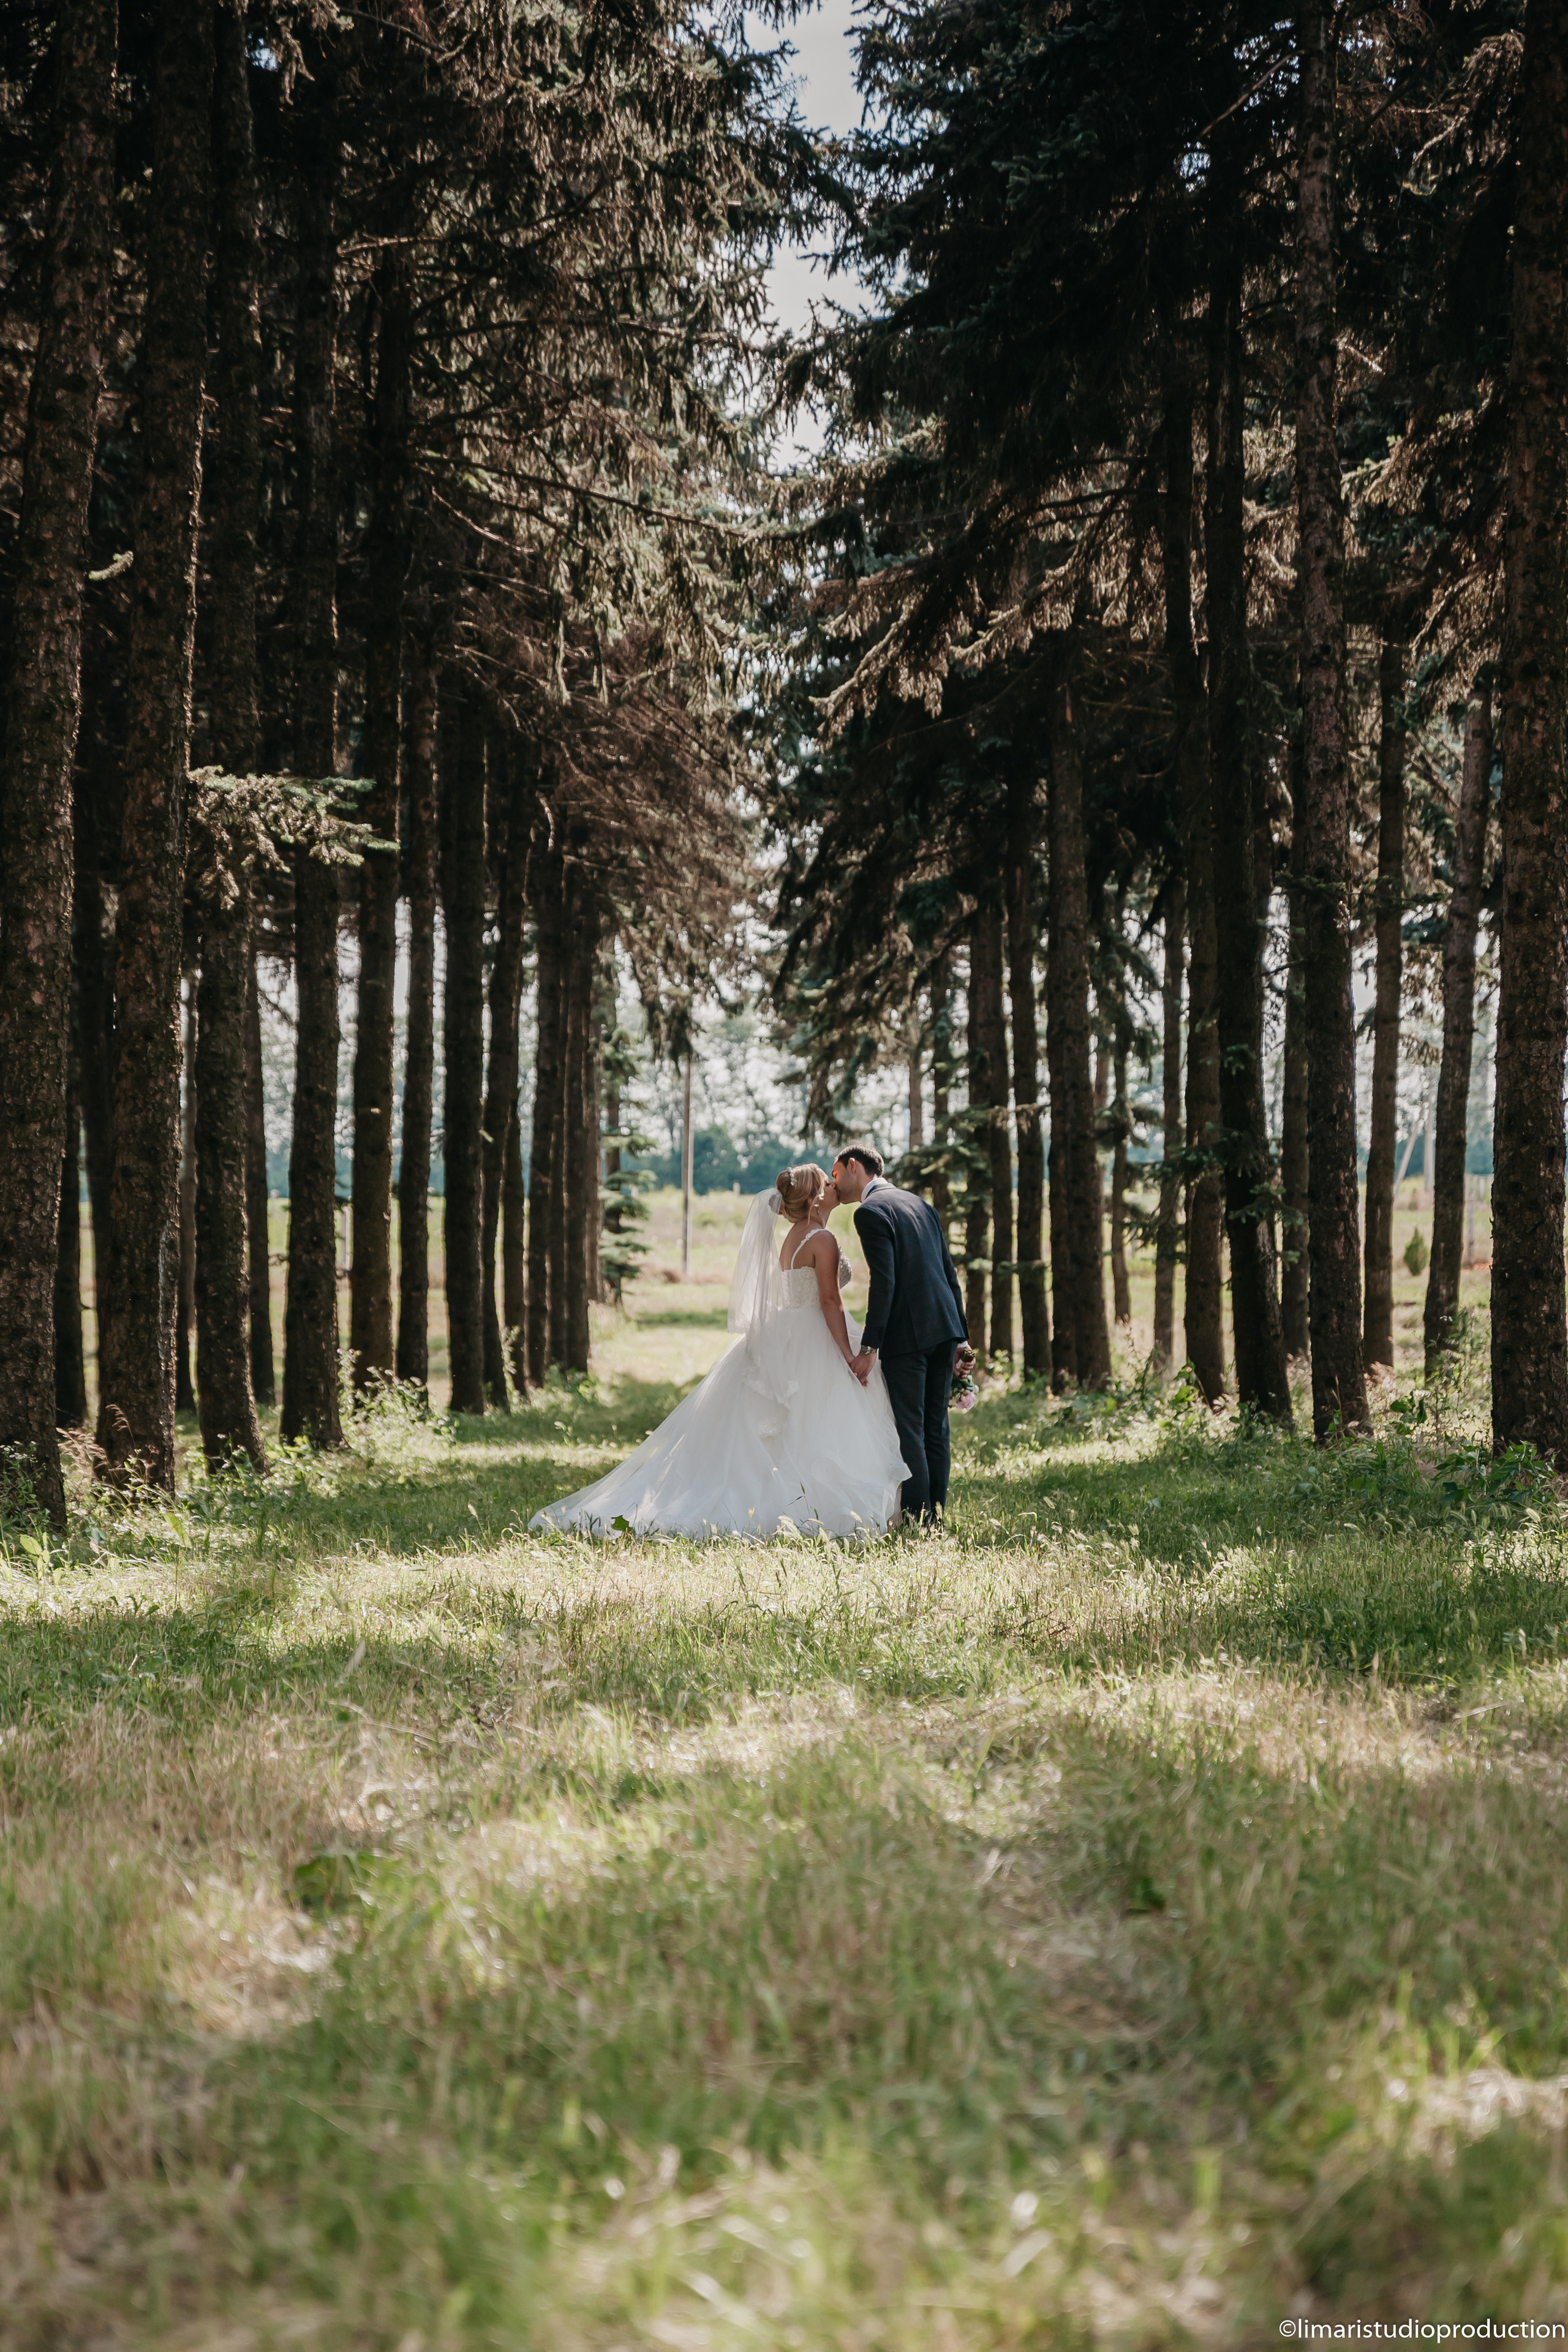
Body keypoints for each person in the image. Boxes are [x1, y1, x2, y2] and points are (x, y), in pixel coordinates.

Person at [530, 1163, 910, 1537]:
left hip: (791, 1328)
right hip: (816, 1332)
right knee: (816, 1421)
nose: (833, 1185)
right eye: (826, 1183)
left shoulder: (795, 1235)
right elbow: (829, 1300)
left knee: (788, 1424)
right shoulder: (822, 1239)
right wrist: (847, 1355)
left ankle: (789, 1497)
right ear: (814, 1198)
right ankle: (814, 1505)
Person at [831, 1143, 971, 1527]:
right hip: (944, 1328)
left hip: (908, 1337)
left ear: (854, 1166)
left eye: (837, 1173)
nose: (834, 1181)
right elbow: (949, 1274)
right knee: (935, 1428)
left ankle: (916, 1521)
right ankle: (935, 1520)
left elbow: (885, 1282)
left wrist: (870, 1345)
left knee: (909, 1428)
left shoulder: (871, 1212)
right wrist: (962, 1338)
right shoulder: (920, 1204)